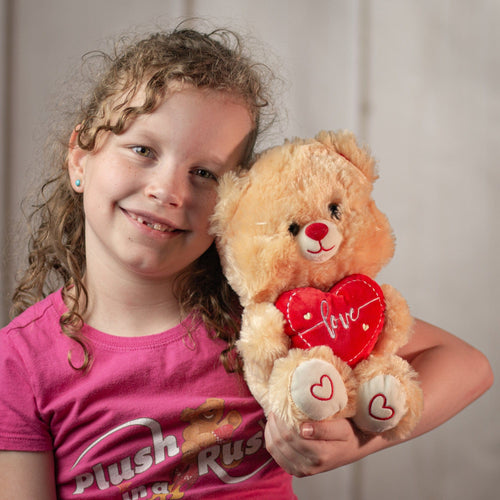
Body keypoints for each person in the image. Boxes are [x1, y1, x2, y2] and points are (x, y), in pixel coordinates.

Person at [0, 25, 493, 500]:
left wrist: (355, 440)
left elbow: (468, 365)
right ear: (80, 158)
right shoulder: (20, 363)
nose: (168, 191)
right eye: (143, 150)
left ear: (235, 200)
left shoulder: (270, 318)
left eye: (203, 173)